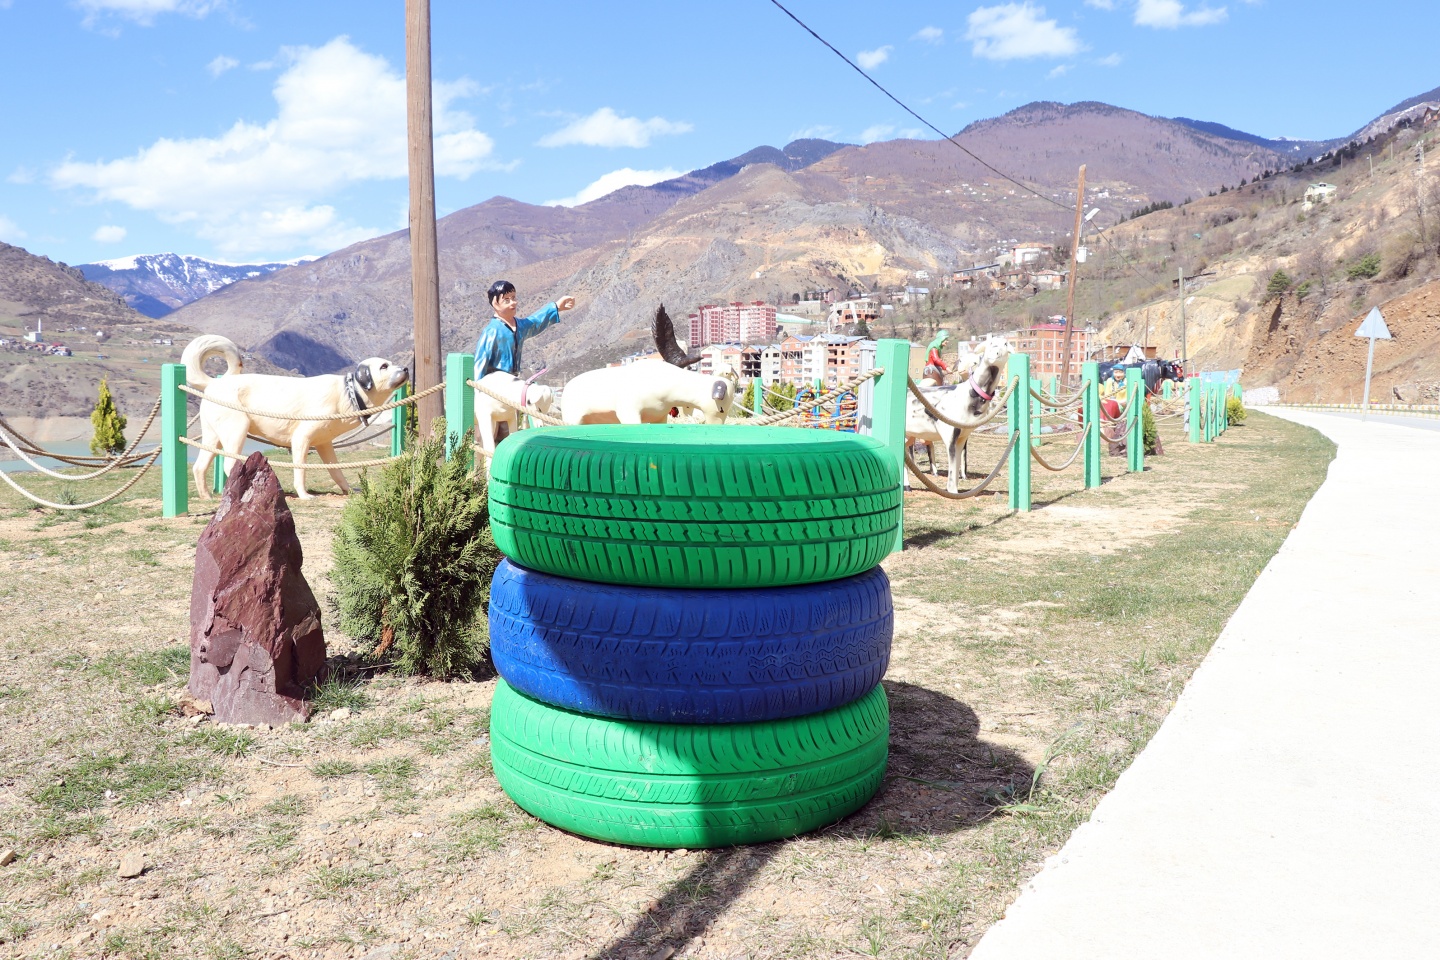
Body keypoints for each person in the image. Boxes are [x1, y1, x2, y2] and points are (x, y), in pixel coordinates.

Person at [472, 280, 576, 382]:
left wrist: (556, 307)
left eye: (513, 298)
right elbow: (481, 360)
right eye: (507, 300)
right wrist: (478, 388)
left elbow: (534, 322)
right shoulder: (492, 331)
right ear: (495, 303)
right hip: (496, 381)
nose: (513, 303)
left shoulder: (519, 326)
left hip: (513, 379)